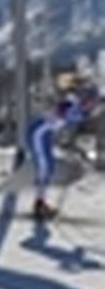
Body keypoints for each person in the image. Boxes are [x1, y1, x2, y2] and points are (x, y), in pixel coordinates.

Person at [27, 93, 94, 221]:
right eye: (90, 103)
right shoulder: (72, 105)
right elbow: (62, 114)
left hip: (46, 135)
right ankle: (39, 204)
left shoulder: (81, 112)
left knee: (49, 168)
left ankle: (41, 201)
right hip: (38, 133)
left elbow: (68, 124)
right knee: (44, 167)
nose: (91, 106)